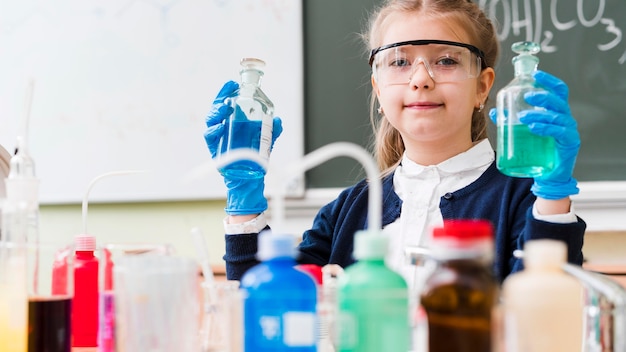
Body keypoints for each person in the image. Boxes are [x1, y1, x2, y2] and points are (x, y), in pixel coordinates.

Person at [204, 0, 585, 284]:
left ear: (482, 87)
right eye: (400, 62)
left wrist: (551, 196)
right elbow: (264, 307)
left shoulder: (524, 201)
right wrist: (244, 203)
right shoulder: (347, 212)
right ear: (378, 87)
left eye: (447, 60)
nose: (420, 79)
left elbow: (544, 311)